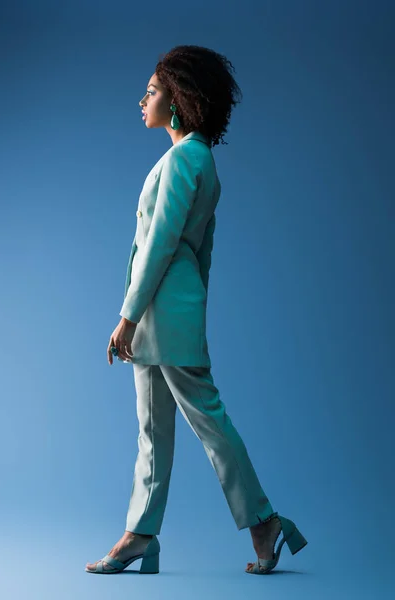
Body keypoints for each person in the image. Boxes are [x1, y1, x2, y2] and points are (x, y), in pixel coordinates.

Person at [85, 44, 307, 575]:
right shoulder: (189, 157)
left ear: (179, 99)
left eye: (153, 91)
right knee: (153, 429)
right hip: (166, 309)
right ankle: (141, 534)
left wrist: (128, 316)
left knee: (207, 421)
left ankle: (263, 521)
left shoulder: (189, 157)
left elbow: (163, 242)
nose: (143, 99)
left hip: (162, 311)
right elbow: (201, 252)